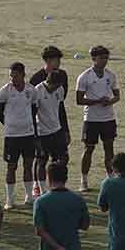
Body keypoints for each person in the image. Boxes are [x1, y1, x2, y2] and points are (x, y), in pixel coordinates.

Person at [76, 45, 120, 192]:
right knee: (89, 149)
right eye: (101, 58)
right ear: (93, 59)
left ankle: (111, 177)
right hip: (91, 119)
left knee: (109, 149)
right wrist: (97, 101)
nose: (104, 61)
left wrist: (110, 101)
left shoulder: (110, 75)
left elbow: (117, 96)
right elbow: (79, 100)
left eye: (106, 58)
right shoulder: (84, 76)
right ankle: (84, 180)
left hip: (108, 118)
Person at [0, 62, 38, 208]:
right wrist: (10, 124)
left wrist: (27, 123)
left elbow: (34, 109)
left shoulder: (31, 90)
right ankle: (10, 199)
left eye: (15, 75)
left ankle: (29, 196)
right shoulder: (4, 91)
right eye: (11, 76)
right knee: (11, 167)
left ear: (23, 75)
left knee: (28, 165)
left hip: (28, 134)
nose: (13, 79)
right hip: (11, 136)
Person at [30, 46, 70, 197]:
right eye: (55, 59)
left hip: (57, 128)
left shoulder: (62, 78)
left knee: (62, 158)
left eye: (59, 59)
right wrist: (34, 135)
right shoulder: (35, 81)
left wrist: (65, 129)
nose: (58, 62)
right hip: (41, 130)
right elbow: (32, 111)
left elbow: (60, 106)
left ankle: (55, 184)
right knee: (41, 158)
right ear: (47, 60)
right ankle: (37, 186)